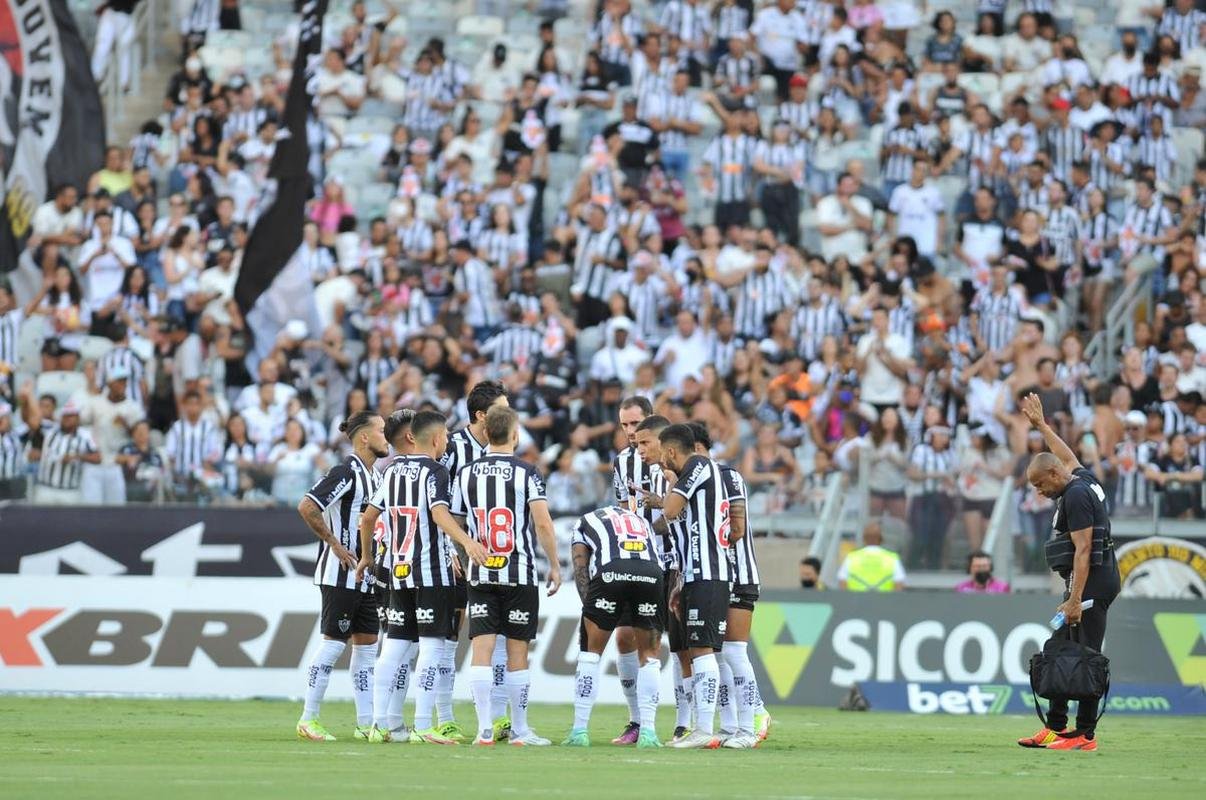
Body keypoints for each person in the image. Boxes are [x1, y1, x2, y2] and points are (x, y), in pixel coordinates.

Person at [357, 410, 487, 744]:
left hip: (397, 573)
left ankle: (380, 724)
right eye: (445, 435)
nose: (447, 441)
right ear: (437, 438)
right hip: (431, 574)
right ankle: (423, 726)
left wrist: (368, 558)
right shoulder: (436, 471)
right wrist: (467, 541)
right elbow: (438, 512)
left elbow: (368, 518)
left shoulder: (392, 470)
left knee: (394, 648)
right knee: (432, 647)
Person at [451, 406, 561, 746]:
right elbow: (542, 522)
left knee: (481, 649)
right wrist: (555, 564)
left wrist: (462, 552)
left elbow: (454, 521)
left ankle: (484, 729)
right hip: (518, 572)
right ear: (514, 435)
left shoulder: (466, 473)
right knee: (517, 652)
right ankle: (520, 730)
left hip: (480, 572)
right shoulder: (527, 472)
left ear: (486, 434)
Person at [1018, 393, 1120, 752]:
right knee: (1060, 649)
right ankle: (1057, 729)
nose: (1041, 492)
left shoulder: (1075, 496)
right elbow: (1068, 455)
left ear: (1051, 475)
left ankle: (1084, 735)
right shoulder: (1080, 477)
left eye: (1040, 485)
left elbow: (1084, 548)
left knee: (1087, 655)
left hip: (1092, 579)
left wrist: (1075, 599)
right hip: (1088, 580)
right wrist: (1042, 426)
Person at [294, 411, 387, 743]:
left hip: (364, 578)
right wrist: (333, 543)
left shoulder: (375, 477)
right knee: (333, 646)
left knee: (366, 651)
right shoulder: (345, 472)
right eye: (381, 430)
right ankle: (308, 718)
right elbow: (307, 506)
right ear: (364, 437)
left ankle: (365, 723)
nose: (386, 435)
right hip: (340, 574)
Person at [659, 422, 738, 749]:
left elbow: (669, 510)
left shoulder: (697, 466)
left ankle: (706, 727)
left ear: (672, 451)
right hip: (700, 573)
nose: (663, 462)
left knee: (703, 651)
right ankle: (708, 726)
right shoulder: (706, 471)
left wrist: (670, 484)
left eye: (664, 456)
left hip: (708, 574)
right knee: (700, 650)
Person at [439, 379, 510, 742]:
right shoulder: (452, 448)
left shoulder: (504, 445)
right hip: (452, 556)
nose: (509, 412)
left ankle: (497, 717)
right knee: (447, 637)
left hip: (493, 561)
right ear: (481, 415)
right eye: (502, 406)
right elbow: (436, 504)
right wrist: (452, 548)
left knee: (493, 636)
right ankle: (444, 716)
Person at [564, 505, 665, 749]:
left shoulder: (584, 521)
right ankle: (649, 732)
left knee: (590, 655)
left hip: (612, 572)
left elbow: (580, 567)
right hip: (651, 574)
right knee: (649, 657)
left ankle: (579, 730)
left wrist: (590, 607)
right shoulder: (640, 520)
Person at [693, 422, 768, 748]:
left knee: (735, 652)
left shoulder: (727, 476)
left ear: (695, 449)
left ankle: (752, 723)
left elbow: (734, 529)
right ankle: (729, 725)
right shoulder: (689, 482)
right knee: (718, 654)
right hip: (712, 575)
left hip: (737, 573)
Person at [607, 395, 658, 745]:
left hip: (672, 558)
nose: (629, 431)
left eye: (635, 424)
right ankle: (636, 719)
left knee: (683, 647)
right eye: (624, 424)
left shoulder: (670, 458)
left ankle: (686, 722)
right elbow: (625, 513)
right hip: (637, 560)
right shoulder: (622, 463)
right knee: (625, 636)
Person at [77, 366, 144, 505]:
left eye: (124, 381)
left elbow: (141, 438)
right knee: (90, 509)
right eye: (118, 381)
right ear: (109, 383)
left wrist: (125, 425)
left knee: (116, 510)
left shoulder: (132, 407)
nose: (122, 385)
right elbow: (80, 423)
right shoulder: (96, 402)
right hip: (95, 462)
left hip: (117, 464)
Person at [837, 520, 907, 591]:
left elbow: (842, 583)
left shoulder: (852, 557)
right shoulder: (892, 559)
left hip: (856, 601)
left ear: (864, 539)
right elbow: (899, 585)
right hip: (884, 601)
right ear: (881, 539)